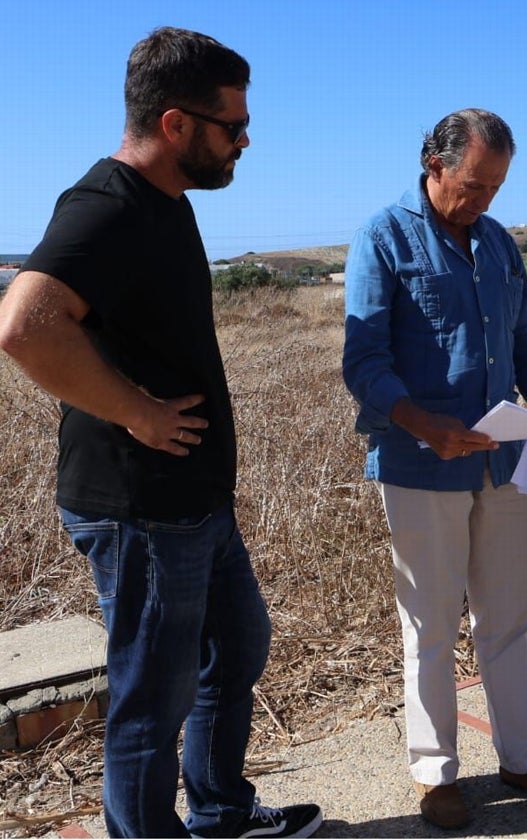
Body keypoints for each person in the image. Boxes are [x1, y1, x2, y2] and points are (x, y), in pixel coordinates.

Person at [0, 28, 321, 840]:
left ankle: (218, 812)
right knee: (153, 698)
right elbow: (24, 325)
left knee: (235, 652)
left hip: (192, 501)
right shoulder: (105, 205)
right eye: (231, 125)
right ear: (176, 124)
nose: (245, 139)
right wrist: (137, 411)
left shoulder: (166, 203)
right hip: (140, 508)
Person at [342, 108, 527, 830]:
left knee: (512, 617)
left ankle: (524, 757)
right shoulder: (382, 238)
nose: (484, 201)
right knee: (429, 623)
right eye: (474, 185)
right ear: (435, 165)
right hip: (419, 464)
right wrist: (427, 426)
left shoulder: (498, 245)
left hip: (503, 462)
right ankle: (435, 772)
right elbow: (363, 362)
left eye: (496, 188)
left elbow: (525, 353)